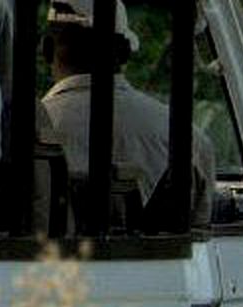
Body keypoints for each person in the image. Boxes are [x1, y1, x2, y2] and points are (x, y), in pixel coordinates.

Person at [41, 0, 214, 227]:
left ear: (46, 49)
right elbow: (198, 238)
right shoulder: (189, 140)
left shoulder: (25, 132)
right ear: (124, 53)